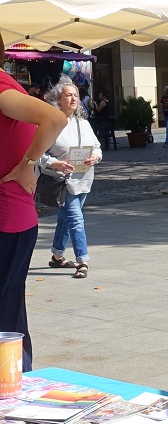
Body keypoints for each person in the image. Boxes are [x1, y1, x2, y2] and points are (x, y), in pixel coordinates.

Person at [0, 34, 67, 373]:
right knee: (8, 309)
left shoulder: (2, 88)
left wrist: (28, 165)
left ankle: (13, 383)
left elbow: (55, 119)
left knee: (6, 312)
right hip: (11, 218)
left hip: (8, 219)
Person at [38, 77, 103, 281]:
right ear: (58, 98)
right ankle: (82, 260)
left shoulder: (82, 122)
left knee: (64, 219)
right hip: (61, 182)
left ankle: (57, 255)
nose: (74, 98)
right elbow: (37, 153)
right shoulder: (51, 123)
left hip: (83, 179)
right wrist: (55, 163)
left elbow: (98, 147)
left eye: (76, 95)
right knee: (75, 219)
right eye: (69, 95)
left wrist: (96, 157)